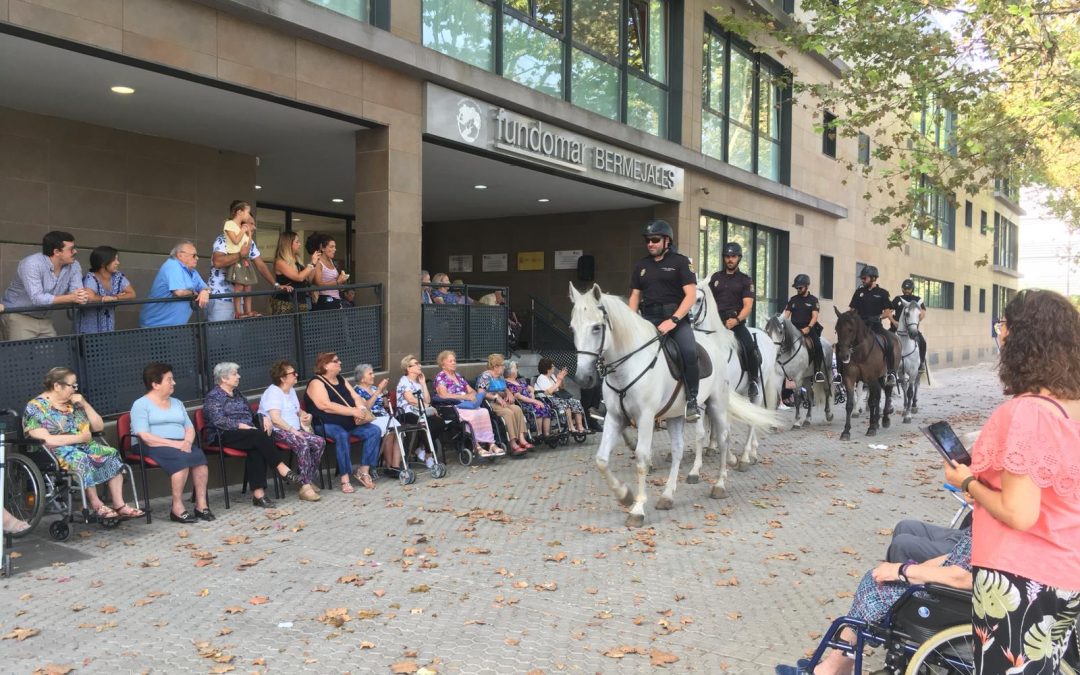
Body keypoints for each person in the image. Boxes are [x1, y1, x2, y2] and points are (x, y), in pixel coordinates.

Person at [943, 289, 1080, 674]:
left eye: (1004, 325)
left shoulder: (1026, 413)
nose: (999, 333)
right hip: (1065, 571)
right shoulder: (1072, 408)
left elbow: (1020, 514)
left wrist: (967, 481)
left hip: (1019, 577)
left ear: (1023, 337)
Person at [775, 530, 972, 675]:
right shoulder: (993, 516)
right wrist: (908, 570)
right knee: (880, 578)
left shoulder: (996, 519)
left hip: (952, 603)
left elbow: (963, 577)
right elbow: (955, 559)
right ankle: (834, 667)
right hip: (958, 599)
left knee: (874, 586)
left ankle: (832, 670)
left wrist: (902, 572)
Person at [23, 367, 143, 520]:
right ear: (57, 386)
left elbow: (98, 427)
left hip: (85, 445)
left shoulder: (73, 404)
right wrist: (79, 438)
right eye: (72, 385)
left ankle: (119, 505)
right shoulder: (36, 407)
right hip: (56, 451)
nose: (75, 389)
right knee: (81, 458)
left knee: (111, 453)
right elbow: (46, 440)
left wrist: (85, 404)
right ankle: (96, 504)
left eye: (76, 386)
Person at [629, 219, 701, 420]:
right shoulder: (641, 265)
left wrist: (674, 320)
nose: (650, 243)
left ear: (666, 241)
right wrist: (631, 321)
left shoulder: (680, 262)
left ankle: (692, 400)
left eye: (654, 240)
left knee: (688, 351)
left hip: (675, 319)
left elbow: (690, 296)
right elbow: (635, 296)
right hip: (648, 319)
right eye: (648, 240)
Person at [203, 362, 303, 508]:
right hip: (223, 434)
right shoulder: (213, 397)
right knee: (257, 436)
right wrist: (239, 425)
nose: (239, 376)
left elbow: (251, 414)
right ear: (224, 378)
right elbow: (218, 421)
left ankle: (259, 495)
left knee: (261, 438)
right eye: (235, 374)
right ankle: (282, 468)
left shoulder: (237, 394)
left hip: (247, 433)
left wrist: (264, 418)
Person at [130, 362, 213, 523]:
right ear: (155, 384)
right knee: (180, 460)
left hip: (180, 443)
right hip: (149, 445)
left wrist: (187, 442)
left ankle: (201, 505)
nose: (173, 383)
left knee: (199, 458)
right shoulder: (140, 404)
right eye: (169, 380)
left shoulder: (177, 402)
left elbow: (189, 427)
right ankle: (177, 508)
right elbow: (144, 435)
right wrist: (175, 444)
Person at [303, 351, 381, 491]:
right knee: (342, 435)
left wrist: (361, 409)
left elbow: (356, 396)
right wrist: (352, 411)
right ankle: (344, 479)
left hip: (348, 421)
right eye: (336, 361)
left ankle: (363, 471)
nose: (340, 363)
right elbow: (325, 405)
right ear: (325, 365)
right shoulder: (316, 382)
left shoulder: (341, 379)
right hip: (325, 423)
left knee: (374, 431)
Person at [1, 231, 87, 340]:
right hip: (18, 316)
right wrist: (72, 297)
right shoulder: (31, 264)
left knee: (49, 355)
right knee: (21, 355)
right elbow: (37, 298)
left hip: (45, 318)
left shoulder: (74, 265)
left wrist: (79, 296)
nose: (75, 251)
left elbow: (77, 293)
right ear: (56, 252)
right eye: (71, 249)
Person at [257, 360, 323, 502]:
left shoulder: (291, 390)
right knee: (303, 443)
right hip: (278, 431)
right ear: (282, 378)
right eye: (292, 373)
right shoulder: (273, 393)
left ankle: (307, 479)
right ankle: (305, 487)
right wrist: (294, 430)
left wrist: (305, 415)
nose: (296, 375)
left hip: (295, 429)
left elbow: (296, 409)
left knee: (319, 441)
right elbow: (275, 419)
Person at [707, 241, 760, 400]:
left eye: (733, 256)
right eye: (727, 256)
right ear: (724, 258)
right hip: (716, 324)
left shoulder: (745, 280)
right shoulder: (715, 278)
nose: (730, 259)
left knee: (750, 347)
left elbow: (748, 306)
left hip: (735, 323)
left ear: (739, 258)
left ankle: (753, 381)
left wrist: (735, 321)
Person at [207, 214, 280, 321]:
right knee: (219, 335)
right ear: (241, 225)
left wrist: (276, 284)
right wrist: (240, 254)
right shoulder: (223, 239)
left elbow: (261, 265)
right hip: (221, 299)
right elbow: (217, 262)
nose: (254, 227)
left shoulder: (250, 243)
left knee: (237, 336)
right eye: (251, 224)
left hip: (239, 299)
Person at [433, 350, 505, 458]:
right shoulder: (441, 377)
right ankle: (477, 446)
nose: (454, 363)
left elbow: (472, 391)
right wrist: (464, 396)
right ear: (443, 364)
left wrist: (471, 395)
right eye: (450, 361)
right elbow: (443, 395)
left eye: (454, 360)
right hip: (453, 406)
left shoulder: (458, 376)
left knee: (484, 412)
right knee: (473, 415)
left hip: (467, 404)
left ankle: (491, 444)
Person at [139, 241, 210, 328]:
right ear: (180, 255)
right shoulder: (173, 265)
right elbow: (179, 292)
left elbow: (206, 288)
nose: (197, 258)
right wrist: (194, 293)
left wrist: (204, 292)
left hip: (174, 327)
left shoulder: (192, 271)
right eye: (194, 255)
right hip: (157, 326)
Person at [847, 265, 896, 383]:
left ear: (873, 278)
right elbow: (852, 309)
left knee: (889, 342)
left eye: (865, 278)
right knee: (843, 343)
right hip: (860, 326)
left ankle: (891, 372)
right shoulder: (859, 292)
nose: (862, 280)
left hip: (875, 325)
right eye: (862, 278)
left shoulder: (882, 293)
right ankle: (840, 371)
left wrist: (878, 317)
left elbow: (889, 311)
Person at [477, 353, 532, 456]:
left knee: (517, 409)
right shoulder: (485, 376)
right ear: (495, 366)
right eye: (502, 365)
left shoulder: (500, 377)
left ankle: (521, 438)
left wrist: (508, 393)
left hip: (503, 401)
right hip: (491, 403)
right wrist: (496, 397)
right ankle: (512, 442)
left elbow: (504, 387)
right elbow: (481, 392)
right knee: (508, 413)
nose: (504, 367)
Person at [396, 354, 444, 468]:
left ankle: (421, 449)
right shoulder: (404, 381)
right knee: (425, 424)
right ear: (408, 368)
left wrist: (423, 384)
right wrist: (426, 406)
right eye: (416, 364)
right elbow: (410, 400)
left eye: (419, 363)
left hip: (420, 411)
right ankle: (428, 456)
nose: (420, 366)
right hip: (406, 413)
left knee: (439, 422)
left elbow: (427, 399)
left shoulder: (417, 383)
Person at [353, 363, 403, 471]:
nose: (373, 376)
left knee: (399, 431)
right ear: (362, 378)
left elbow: (384, 405)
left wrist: (383, 391)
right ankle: (389, 466)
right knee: (389, 432)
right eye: (370, 374)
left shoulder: (375, 388)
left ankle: (396, 465)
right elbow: (365, 408)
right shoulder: (356, 391)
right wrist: (378, 392)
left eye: (373, 373)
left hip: (384, 416)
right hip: (371, 418)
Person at [78, 245, 136, 334]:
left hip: (108, 328)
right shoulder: (90, 278)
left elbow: (132, 294)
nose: (118, 263)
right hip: (88, 331)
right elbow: (89, 297)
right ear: (103, 263)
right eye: (114, 260)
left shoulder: (118, 276)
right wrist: (104, 298)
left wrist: (115, 298)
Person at [783, 273, 826, 383]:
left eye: (800, 287)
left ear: (807, 286)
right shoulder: (792, 300)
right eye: (796, 287)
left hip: (808, 328)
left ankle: (817, 371)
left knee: (818, 345)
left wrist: (808, 327)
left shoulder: (813, 300)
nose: (798, 289)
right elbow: (786, 315)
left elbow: (815, 316)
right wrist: (781, 323)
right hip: (793, 329)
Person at [222, 200, 259, 319]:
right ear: (239, 212)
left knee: (248, 286)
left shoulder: (241, 227)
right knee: (239, 287)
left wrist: (249, 233)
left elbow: (247, 246)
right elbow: (236, 241)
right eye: (247, 212)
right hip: (236, 258)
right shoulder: (230, 224)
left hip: (245, 258)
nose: (248, 215)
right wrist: (243, 231)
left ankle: (248, 311)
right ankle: (238, 312)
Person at [270, 231, 318, 315]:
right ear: (288, 244)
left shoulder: (297, 259)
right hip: (286, 302)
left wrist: (315, 263)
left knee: (301, 327)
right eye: (297, 242)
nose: (299, 244)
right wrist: (312, 263)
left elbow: (308, 278)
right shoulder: (280, 262)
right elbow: (299, 277)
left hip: (301, 301)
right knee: (286, 327)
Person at [535, 358, 587, 434]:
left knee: (576, 402)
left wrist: (561, 379)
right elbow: (548, 392)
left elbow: (561, 387)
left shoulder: (552, 376)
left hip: (558, 398)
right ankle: (571, 427)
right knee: (566, 405)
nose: (554, 368)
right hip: (548, 400)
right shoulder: (541, 378)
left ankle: (580, 427)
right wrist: (558, 381)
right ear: (547, 368)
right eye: (552, 366)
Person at [505, 360, 552, 440]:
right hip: (523, 404)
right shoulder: (507, 383)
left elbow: (531, 388)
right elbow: (519, 397)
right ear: (509, 371)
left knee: (546, 407)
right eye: (516, 368)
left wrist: (532, 395)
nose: (517, 370)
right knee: (538, 409)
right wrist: (534, 401)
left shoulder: (519, 381)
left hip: (531, 402)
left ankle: (546, 434)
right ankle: (539, 433)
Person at [890, 279, 928, 374]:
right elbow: (888, 312)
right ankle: (887, 366)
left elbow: (923, 313)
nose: (906, 290)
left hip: (911, 329)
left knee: (922, 342)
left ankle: (921, 363)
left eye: (909, 289)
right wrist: (894, 321)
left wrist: (915, 322)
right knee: (884, 342)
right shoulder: (897, 299)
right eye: (905, 288)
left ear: (912, 289)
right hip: (896, 328)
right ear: (902, 289)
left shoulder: (917, 300)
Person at [308, 233, 348, 310]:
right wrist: (337, 282)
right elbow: (319, 284)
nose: (335, 249)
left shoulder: (332, 261)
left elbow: (337, 283)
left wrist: (342, 281)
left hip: (337, 299)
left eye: (335, 247)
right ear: (322, 248)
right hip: (326, 301)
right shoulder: (319, 263)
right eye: (331, 247)